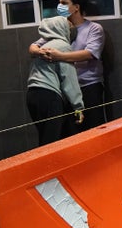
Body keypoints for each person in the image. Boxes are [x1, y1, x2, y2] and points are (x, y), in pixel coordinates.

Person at [30, 0, 106, 131]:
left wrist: (60, 56)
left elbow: (90, 53)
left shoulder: (94, 29)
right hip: (65, 89)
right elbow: (33, 47)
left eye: (64, 3)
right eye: (59, 4)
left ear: (76, 7)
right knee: (71, 131)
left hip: (88, 86)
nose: (60, 7)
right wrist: (39, 52)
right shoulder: (59, 28)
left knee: (94, 128)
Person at [26, 16, 85, 146]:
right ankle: (48, 165)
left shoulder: (44, 46)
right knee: (52, 141)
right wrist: (78, 106)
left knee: (45, 136)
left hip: (32, 94)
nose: (71, 30)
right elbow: (68, 77)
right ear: (61, 29)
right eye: (68, 27)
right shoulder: (62, 46)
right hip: (49, 95)